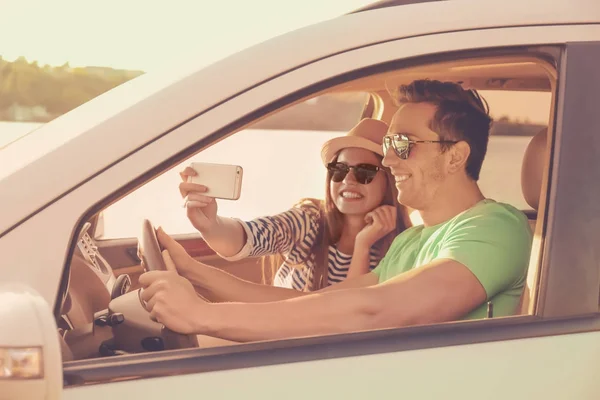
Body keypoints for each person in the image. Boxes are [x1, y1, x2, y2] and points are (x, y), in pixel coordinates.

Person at [139, 79, 533, 341]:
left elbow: (374, 313)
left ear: (455, 157)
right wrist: (195, 273)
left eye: (403, 145)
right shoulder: (412, 240)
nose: (390, 161)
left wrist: (201, 317)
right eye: (389, 145)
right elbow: (308, 304)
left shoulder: (496, 227)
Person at [175, 118, 410, 296]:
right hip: (282, 339)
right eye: (338, 170)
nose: (348, 180)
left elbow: (353, 310)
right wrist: (211, 226)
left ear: (389, 180)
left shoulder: (402, 246)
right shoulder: (310, 221)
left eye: (364, 172)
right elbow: (250, 237)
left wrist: (363, 245)